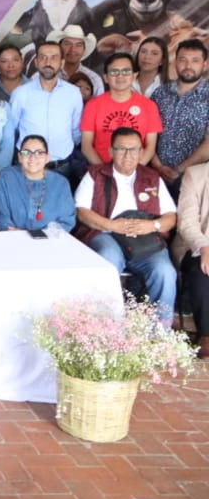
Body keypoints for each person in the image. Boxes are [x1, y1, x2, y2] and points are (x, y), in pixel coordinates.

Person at [74, 127, 178, 326]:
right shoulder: (95, 174)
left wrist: (152, 225)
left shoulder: (152, 177)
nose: (127, 155)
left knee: (165, 272)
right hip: (107, 233)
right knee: (108, 259)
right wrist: (111, 225)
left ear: (141, 152)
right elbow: (82, 211)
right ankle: (106, 329)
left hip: (145, 238)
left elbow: (171, 217)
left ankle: (160, 333)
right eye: (121, 149)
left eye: (133, 149)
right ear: (111, 151)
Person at [8, 41, 83, 182]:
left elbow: (76, 131)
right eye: (43, 57)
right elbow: (12, 130)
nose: (48, 62)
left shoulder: (73, 93)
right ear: (36, 62)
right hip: (28, 165)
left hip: (63, 165)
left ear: (62, 63)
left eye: (54, 57)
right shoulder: (20, 93)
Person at [81, 52, 162, 167]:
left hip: (136, 170)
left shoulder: (149, 106)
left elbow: (150, 147)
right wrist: (105, 172)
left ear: (134, 76)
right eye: (114, 72)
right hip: (101, 169)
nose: (120, 76)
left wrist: (132, 171)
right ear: (106, 78)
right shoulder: (93, 105)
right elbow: (86, 146)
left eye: (126, 71)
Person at [151, 39, 209, 191]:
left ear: (205, 65)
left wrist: (179, 170)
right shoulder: (160, 93)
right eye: (183, 59)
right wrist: (158, 166)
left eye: (195, 60)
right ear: (175, 62)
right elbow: (146, 132)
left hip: (195, 180)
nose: (188, 65)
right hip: (156, 176)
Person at [0, 135, 76, 232]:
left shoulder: (61, 184)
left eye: (39, 153)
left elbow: (67, 221)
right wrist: (19, 236)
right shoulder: (6, 178)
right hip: (12, 238)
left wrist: (40, 237)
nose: (32, 157)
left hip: (51, 239)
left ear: (47, 157)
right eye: (26, 152)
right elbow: (2, 218)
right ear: (20, 156)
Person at [174, 162, 209, 356]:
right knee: (202, 269)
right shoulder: (195, 175)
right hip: (197, 244)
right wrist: (204, 247)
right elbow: (187, 223)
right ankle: (206, 335)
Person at [50, 25, 103, 96]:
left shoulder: (94, 79)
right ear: (59, 48)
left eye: (78, 45)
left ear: (84, 50)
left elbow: (99, 103)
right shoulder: (45, 75)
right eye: (67, 44)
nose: (73, 49)